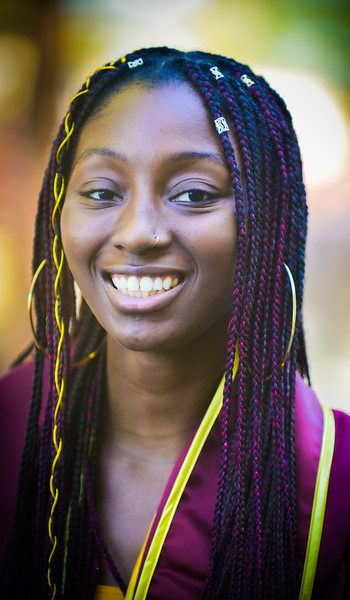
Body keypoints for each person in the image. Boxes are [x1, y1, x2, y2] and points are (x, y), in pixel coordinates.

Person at [0, 47, 349, 600]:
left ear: (268, 226)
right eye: (101, 192)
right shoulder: (8, 425)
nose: (138, 233)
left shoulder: (335, 487)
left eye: (193, 194)